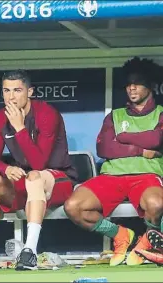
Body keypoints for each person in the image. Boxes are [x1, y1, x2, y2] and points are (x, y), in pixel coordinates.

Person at [0, 70, 77, 271]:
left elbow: (39, 164)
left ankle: (29, 252)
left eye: (17, 90)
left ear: (30, 91)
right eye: (6, 91)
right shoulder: (0, 116)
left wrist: (19, 128)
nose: (11, 96)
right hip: (26, 182)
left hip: (58, 180)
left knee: (34, 176)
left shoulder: (47, 114)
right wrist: (6, 169)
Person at [64, 57, 163, 266]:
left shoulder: (160, 114)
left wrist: (123, 137)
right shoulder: (115, 116)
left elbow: (155, 139)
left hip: (146, 176)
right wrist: (139, 149)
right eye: (128, 84)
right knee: (74, 206)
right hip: (112, 176)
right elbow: (105, 148)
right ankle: (120, 235)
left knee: (156, 204)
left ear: (150, 86)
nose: (131, 88)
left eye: (137, 83)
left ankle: (147, 241)